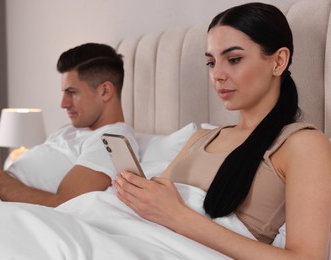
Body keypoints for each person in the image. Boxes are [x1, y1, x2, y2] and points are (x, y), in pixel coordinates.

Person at [114, 3, 331, 259]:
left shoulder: (303, 144)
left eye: (234, 59)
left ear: (278, 61)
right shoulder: (199, 138)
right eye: (210, 62)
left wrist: (179, 217)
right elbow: (157, 211)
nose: (217, 74)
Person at [0, 43, 138, 207]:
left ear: (105, 91)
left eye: (72, 92)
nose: (63, 104)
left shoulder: (112, 139)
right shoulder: (67, 130)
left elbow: (64, 204)